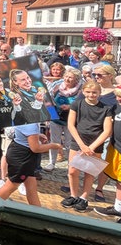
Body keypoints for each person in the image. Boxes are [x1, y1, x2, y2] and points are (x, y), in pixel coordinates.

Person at [61, 81, 113, 212]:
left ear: (99, 93)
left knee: (89, 172)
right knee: (72, 170)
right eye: (88, 92)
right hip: (78, 141)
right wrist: (82, 145)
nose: (91, 94)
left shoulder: (106, 109)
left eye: (94, 92)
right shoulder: (76, 104)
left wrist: (92, 147)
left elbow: (107, 131)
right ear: (83, 92)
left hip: (96, 143)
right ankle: (73, 195)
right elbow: (71, 125)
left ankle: (84, 197)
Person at [0, 123, 61, 206]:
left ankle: (38, 214)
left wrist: (36, 136)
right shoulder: (31, 124)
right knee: (11, 186)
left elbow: (24, 133)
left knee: (31, 188)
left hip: (22, 154)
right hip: (22, 158)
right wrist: (53, 145)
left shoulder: (28, 120)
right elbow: (35, 148)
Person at [45, 68, 83, 172]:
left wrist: (71, 107)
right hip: (55, 117)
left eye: (70, 77)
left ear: (76, 79)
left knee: (69, 143)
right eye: (66, 76)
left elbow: (82, 104)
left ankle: (71, 164)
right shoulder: (57, 86)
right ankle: (51, 163)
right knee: (54, 141)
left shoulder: (80, 90)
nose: (67, 79)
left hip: (70, 120)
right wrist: (51, 116)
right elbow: (48, 100)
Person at [93, 88, 121, 219]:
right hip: (115, 147)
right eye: (117, 96)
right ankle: (118, 207)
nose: (118, 99)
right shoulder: (116, 107)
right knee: (118, 180)